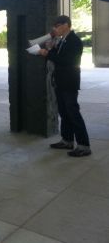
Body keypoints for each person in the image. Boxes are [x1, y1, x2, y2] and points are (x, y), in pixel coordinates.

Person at [39, 15, 91, 157]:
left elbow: (66, 61)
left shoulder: (74, 41)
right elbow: (59, 56)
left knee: (73, 112)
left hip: (69, 82)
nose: (55, 30)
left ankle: (84, 145)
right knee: (64, 112)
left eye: (56, 26)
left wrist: (47, 54)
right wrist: (51, 49)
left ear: (66, 25)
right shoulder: (63, 40)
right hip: (61, 81)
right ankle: (67, 140)